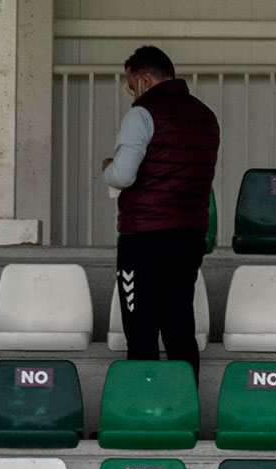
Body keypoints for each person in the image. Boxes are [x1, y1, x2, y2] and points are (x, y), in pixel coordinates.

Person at [101, 45, 219, 373]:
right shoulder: (205, 116)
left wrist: (106, 167)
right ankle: (183, 414)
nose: (130, 92)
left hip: (145, 237)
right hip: (189, 235)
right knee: (179, 325)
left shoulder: (143, 113)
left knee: (141, 330)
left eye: (130, 85)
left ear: (146, 79)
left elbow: (123, 175)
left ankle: (143, 416)